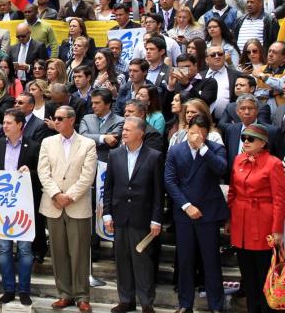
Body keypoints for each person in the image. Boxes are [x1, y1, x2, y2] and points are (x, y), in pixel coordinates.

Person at [164, 115, 228, 313]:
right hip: (184, 213)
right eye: (193, 132)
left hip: (208, 212)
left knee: (211, 260)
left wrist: (203, 148)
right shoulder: (175, 150)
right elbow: (170, 181)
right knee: (185, 260)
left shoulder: (215, 149)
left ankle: (216, 305)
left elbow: (222, 169)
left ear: (207, 133)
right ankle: (185, 303)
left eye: (201, 133)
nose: (196, 136)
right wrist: (186, 205)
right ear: (186, 129)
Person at [37, 106, 97, 313]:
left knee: (79, 252)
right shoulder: (47, 142)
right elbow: (43, 172)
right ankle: (64, 293)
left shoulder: (88, 144)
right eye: (55, 118)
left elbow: (88, 175)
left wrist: (68, 196)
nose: (57, 121)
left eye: (61, 118)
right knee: (58, 251)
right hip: (53, 204)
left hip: (77, 204)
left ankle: (82, 296)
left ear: (72, 120)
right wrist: (56, 194)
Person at [103, 118, 164, 313]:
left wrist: (156, 219)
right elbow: (109, 187)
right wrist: (106, 214)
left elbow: (158, 192)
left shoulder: (153, 156)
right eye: (124, 130)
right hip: (120, 216)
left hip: (142, 217)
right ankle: (126, 299)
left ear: (141, 133)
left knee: (142, 260)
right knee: (122, 259)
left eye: (129, 130)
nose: (124, 133)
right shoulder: (115, 155)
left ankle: (146, 302)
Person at [227, 124, 285, 313]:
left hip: (262, 223)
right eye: (244, 138)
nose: (246, 142)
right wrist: (230, 219)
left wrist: (277, 230)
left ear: (263, 143)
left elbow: (279, 199)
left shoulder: (273, 163)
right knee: (247, 275)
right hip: (241, 222)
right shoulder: (238, 160)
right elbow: (232, 192)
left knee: (263, 275)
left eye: (251, 139)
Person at [0, 109, 40, 305]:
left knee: (25, 249)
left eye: (9, 123)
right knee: (4, 249)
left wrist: (30, 172)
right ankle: (8, 288)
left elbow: (41, 174)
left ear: (20, 125)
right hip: (2, 205)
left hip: (24, 206)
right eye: (4, 122)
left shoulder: (33, 146)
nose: (5, 126)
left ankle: (24, 290)